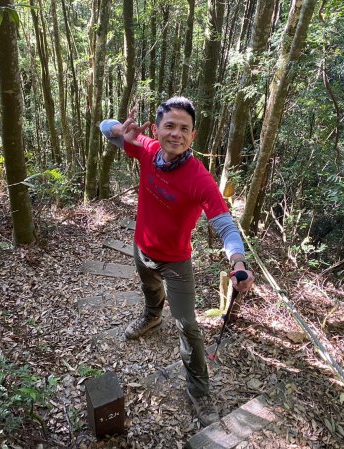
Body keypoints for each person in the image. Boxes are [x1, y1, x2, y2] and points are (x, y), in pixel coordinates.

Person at [100, 97, 255, 427]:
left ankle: (199, 391)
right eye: (169, 126)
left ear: (192, 136)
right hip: (142, 247)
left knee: (187, 325)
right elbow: (104, 127)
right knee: (149, 289)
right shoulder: (145, 148)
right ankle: (152, 317)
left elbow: (225, 224)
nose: (176, 134)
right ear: (157, 129)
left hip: (176, 261)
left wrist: (239, 261)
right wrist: (118, 129)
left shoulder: (199, 178)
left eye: (184, 128)